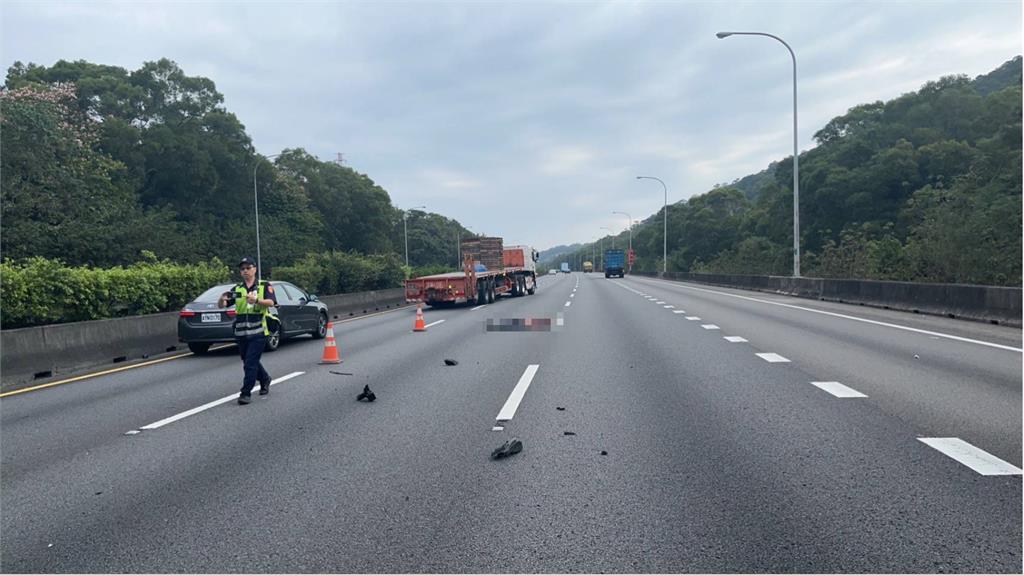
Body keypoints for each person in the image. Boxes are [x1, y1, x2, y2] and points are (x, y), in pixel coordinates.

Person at [218, 257, 278, 405]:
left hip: (258, 332)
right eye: (242, 269)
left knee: (250, 363)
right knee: (248, 361)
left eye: (248, 268)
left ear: (254, 269)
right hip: (241, 332)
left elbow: (271, 302)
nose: (245, 271)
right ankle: (264, 379)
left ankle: (245, 393)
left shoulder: (264, 286)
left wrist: (256, 301)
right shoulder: (238, 289)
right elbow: (223, 305)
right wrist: (221, 299)